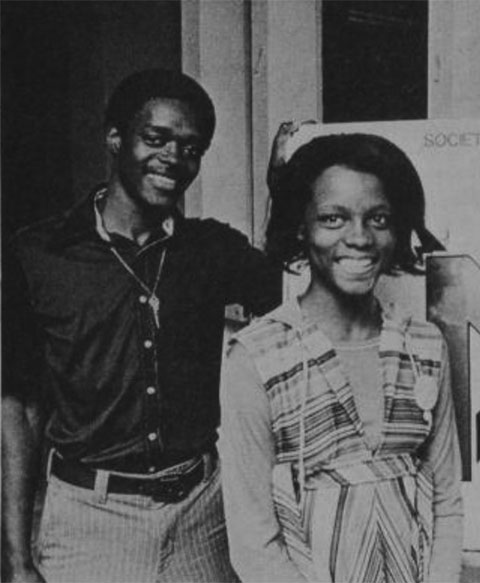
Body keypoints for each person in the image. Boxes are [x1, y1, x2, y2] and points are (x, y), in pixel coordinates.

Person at [1, 69, 282, 582]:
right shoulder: (37, 255)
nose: (175, 157)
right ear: (114, 139)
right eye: (156, 138)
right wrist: (17, 560)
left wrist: (285, 188)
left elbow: (298, 294)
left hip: (201, 516)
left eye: (192, 148)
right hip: (89, 521)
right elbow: (19, 409)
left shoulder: (213, 251)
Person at [218, 130, 462, 582]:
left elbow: (446, 501)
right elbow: (254, 543)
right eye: (333, 218)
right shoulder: (257, 357)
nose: (360, 238)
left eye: (379, 218)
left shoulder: (424, 346)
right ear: (300, 225)